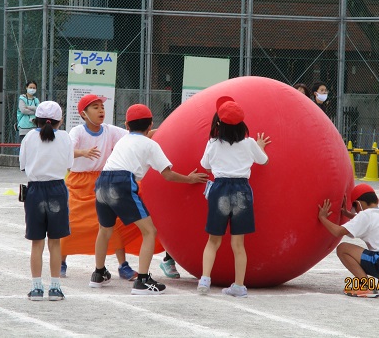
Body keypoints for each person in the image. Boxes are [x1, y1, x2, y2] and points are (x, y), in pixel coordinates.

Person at [92, 103, 208, 294]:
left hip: (102, 181)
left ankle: (98, 274)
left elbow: (140, 135)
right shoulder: (151, 145)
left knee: (105, 229)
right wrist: (190, 178)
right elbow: (168, 174)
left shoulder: (123, 139)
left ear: (127, 126)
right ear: (150, 124)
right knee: (149, 231)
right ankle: (143, 281)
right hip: (122, 183)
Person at [61, 94, 160, 281]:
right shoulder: (77, 132)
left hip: (103, 179)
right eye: (95, 107)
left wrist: (166, 129)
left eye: (102, 107)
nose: (101, 110)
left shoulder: (109, 130)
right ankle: (61, 260)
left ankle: (123, 265)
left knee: (115, 225)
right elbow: (67, 150)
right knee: (72, 223)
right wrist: (83, 152)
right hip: (79, 183)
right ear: (83, 113)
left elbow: (137, 135)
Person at [197, 97, 270, 297]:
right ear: (242, 124)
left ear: (218, 124)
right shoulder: (249, 143)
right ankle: (238, 286)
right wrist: (261, 146)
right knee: (238, 243)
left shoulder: (213, 143)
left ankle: (204, 280)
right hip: (242, 191)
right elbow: (263, 161)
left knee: (213, 240)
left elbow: (205, 165)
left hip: (220, 189)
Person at [318, 183, 379, 298]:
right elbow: (366, 221)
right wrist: (348, 214)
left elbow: (337, 231)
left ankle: (366, 287)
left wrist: (322, 218)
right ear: (377, 200)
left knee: (343, 248)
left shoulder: (365, 216)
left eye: (355, 207)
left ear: (358, 204)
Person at [19, 101, 74, 301]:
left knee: (36, 242)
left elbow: (23, 165)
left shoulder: (29, 137)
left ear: (37, 120)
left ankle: (36, 288)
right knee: (55, 242)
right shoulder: (66, 137)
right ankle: (56, 288)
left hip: (35, 190)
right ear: (60, 120)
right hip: (57, 189)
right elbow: (69, 164)